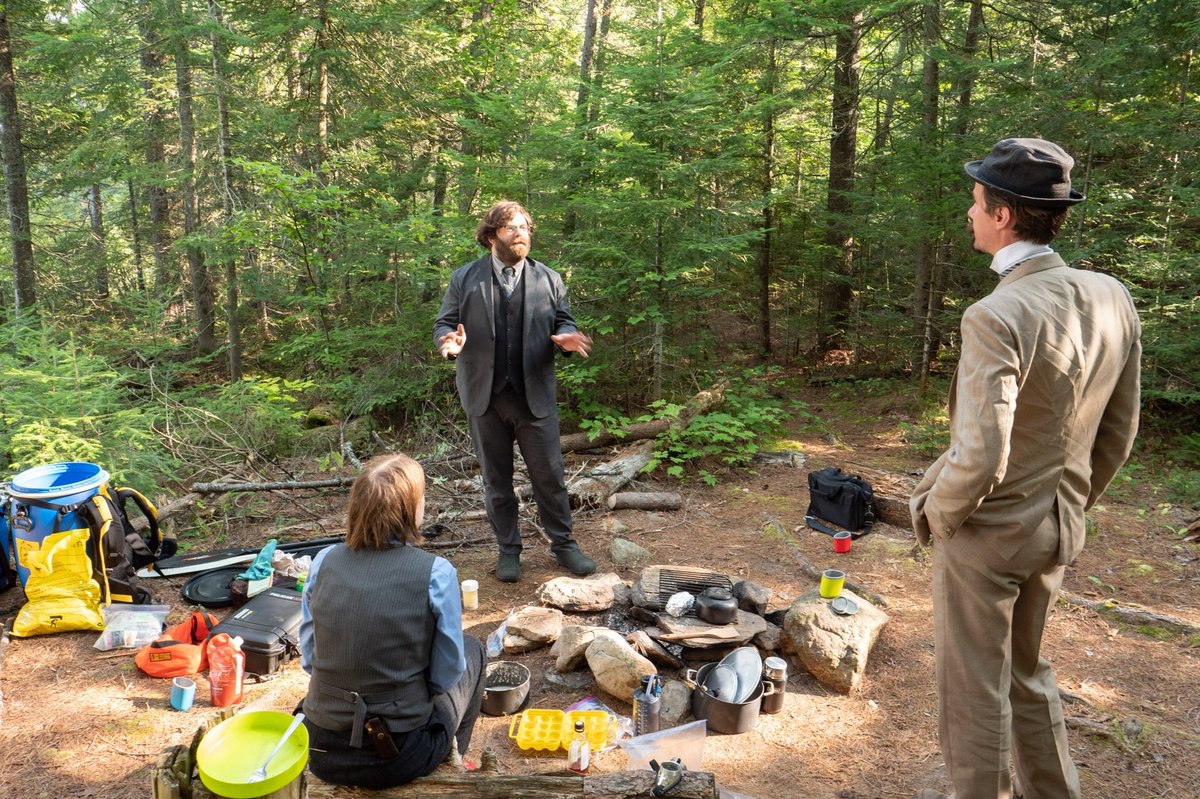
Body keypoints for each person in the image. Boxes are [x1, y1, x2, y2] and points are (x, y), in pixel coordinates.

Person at [910, 138, 1141, 799]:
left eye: (977, 200)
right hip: (1061, 525)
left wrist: (937, 515)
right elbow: (1119, 430)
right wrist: (1070, 506)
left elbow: (982, 453)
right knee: (1027, 672)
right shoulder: (1110, 296)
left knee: (972, 691)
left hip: (989, 535)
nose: (969, 210)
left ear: (1005, 215)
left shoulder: (996, 315)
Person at [433, 200, 596, 583]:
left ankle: (564, 545)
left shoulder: (549, 279)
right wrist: (447, 342)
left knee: (550, 476)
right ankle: (509, 550)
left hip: (533, 394)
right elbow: (445, 323)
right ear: (492, 236)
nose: (521, 234)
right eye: (511, 228)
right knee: (497, 481)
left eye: (525, 228)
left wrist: (566, 338)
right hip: (484, 396)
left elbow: (563, 320)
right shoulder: (465, 279)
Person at [299, 454, 485, 789]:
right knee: (474, 651)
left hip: (319, 746)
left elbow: (310, 660)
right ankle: (450, 759)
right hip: (397, 754)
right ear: (412, 509)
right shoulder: (435, 573)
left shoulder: (323, 561)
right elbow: (445, 675)